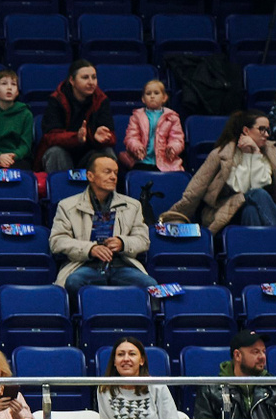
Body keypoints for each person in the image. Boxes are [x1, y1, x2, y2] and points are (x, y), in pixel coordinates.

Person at [163, 109, 276, 233]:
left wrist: (255, 153)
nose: (266, 134)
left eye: (268, 130)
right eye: (262, 129)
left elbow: (260, 184)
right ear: (246, 130)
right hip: (223, 212)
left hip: (255, 210)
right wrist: (175, 216)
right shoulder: (222, 154)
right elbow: (238, 188)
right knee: (257, 194)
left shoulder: (269, 152)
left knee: (251, 210)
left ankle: (257, 245)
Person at [49, 153, 156, 291]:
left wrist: (122, 243)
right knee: (73, 282)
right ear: (90, 176)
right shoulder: (67, 206)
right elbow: (57, 241)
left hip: (121, 265)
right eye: (107, 172)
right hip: (85, 264)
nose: (113, 177)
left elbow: (143, 240)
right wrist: (90, 249)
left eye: (115, 173)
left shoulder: (133, 205)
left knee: (150, 285)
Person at [37, 60, 116, 174]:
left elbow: (111, 136)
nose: (91, 82)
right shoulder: (57, 99)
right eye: (85, 77)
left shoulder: (101, 100)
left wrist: (102, 138)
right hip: (64, 152)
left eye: (94, 77)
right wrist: (76, 138)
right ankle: (62, 186)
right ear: (72, 80)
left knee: (107, 153)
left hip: (89, 154)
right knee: (55, 152)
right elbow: (51, 137)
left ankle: (104, 186)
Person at [120, 79, 185, 173]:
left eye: (156, 93)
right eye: (148, 93)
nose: (152, 96)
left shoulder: (172, 117)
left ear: (164, 97)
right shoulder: (136, 117)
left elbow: (177, 138)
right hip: (141, 161)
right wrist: (137, 147)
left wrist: (173, 148)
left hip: (166, 162)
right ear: (143, 99)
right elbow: (131, 137)